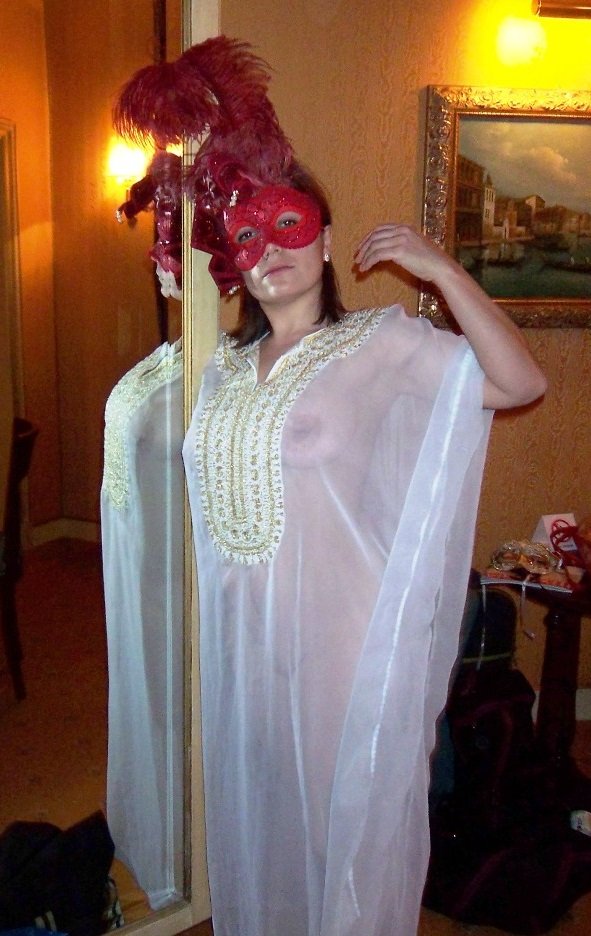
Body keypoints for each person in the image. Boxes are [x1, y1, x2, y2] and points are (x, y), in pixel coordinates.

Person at [114, 37, 546, 936]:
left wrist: (440, 270)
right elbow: (145, 430)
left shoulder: (381, 344)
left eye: (287, 225)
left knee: (341, 842)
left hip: (340, 648)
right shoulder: (219, 370)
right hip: (243, 648)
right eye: (244, 236)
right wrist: (174, 277)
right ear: (230, 264)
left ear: (325, 239)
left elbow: (517, 383)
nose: (267, 248)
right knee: (266, 829)